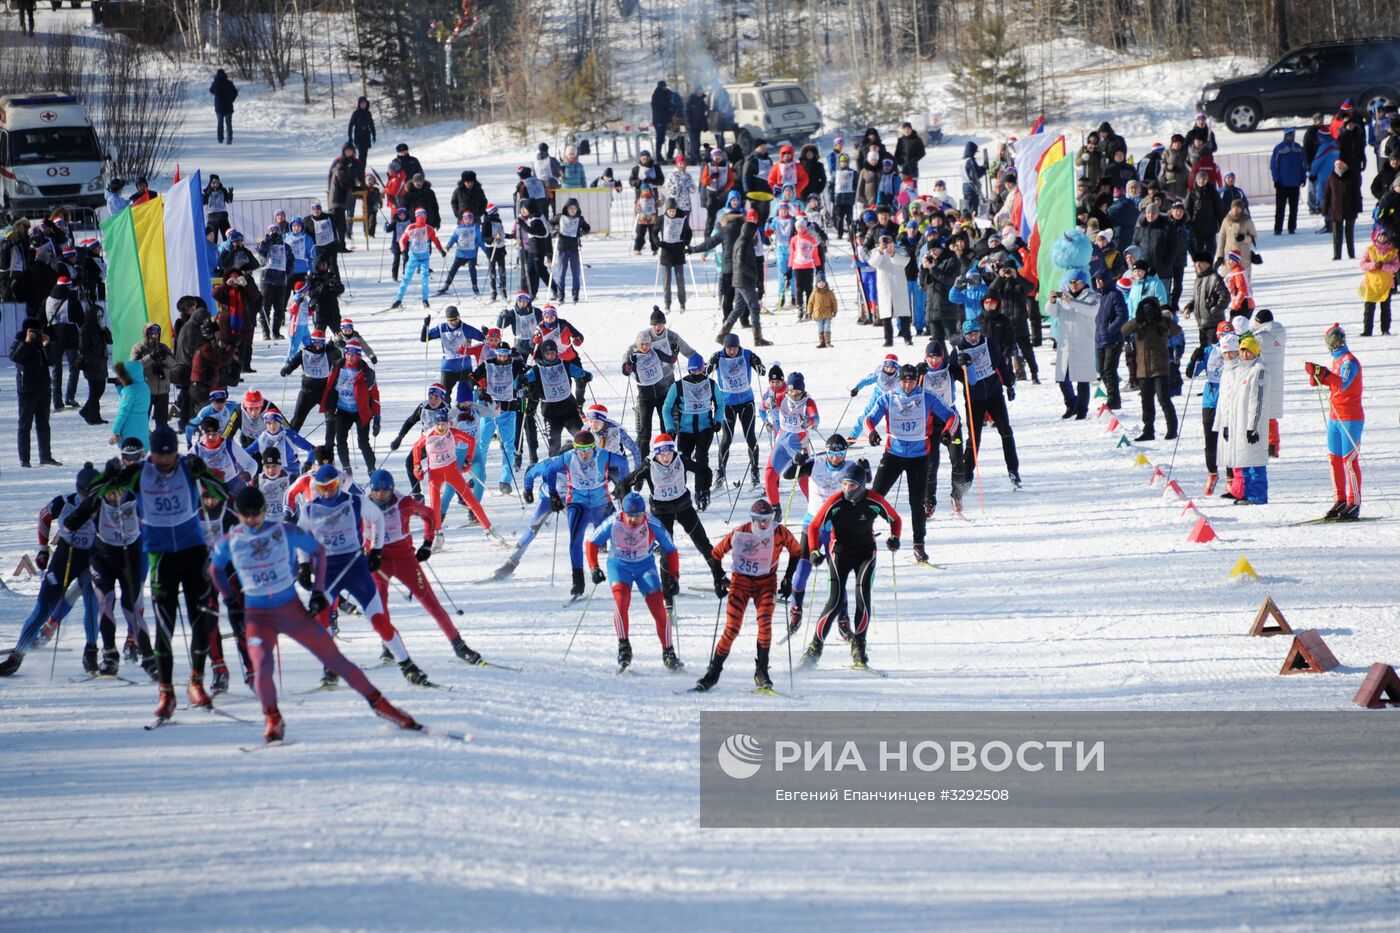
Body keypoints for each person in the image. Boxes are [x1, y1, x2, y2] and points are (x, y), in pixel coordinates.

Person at [211, 486, 419, 742]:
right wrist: (230, 599)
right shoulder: (229, 542)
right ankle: (273, 719)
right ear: (238, 514)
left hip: (290, 609)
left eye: (256, 514)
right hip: (257, 615)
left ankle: (382, 706)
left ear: (265, 511)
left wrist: (319, 590)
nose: (252, 520)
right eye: (246, 515)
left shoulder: (283, 530)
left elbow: (318, 551)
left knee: (335, 660)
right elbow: (215, 570)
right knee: (261, 667)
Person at [88, 427, 227, 719]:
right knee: (166, 626)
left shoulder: (188, 466)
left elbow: (223, 493)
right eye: (161, 456)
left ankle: (196, 682)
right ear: (153, 453)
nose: (166, 462)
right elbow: (96, 492)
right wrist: (110, 474)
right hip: (161, 556)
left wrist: (205, 474)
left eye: (170, 456)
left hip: (193, 552)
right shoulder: (139, 472)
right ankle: (166, 692)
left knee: (200, 621)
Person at [294, 464, 431, 687]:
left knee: (378, 620)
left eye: (332, 486)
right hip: (327, 571)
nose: (328, 492)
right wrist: (303, 566)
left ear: (338, 484)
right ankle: (331, 668)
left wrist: (376, 550)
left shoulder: (354, 501)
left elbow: (377, 517)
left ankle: (408, 666)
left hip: (355, 567)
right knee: (322, 619)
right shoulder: (310, 509)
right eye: (323, 487)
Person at [364, 470, 484, 665]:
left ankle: (459, 646)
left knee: (430, 602)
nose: (380, 496)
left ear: (391, 490)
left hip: (404, 559)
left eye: (384, 492)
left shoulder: (404, 503)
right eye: (376, 492)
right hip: (379, 561)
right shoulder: (364, 505)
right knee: (380, 603)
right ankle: (388, 645)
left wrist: (428, 543)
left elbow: (429, 514)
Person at [0, 465, 104, 678]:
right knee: (43, 608)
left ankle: (91, 653)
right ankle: (16, 657)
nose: (90, 499)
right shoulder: (64, 503)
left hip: (91, 557)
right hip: (66, 557)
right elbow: (44, 517)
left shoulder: (104, 504)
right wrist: (43, 550)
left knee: (93, 603)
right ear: (80, 490)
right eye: (87, 494)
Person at [798, 461, 900, 670]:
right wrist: (815, 550)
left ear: (862, 485)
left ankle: (859, 649)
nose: (847, 489)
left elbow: (895, 519)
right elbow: (814, 525)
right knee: (834, 602)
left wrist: (894, 538)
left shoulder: (874, 500)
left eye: (852, 486)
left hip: (865, 554)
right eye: (844, 484)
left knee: (863, 597)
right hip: (840, 552)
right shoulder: (836, 501)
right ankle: (813, 650)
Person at [693, 499, 800, 693]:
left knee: (765, 623)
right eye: (758, 519)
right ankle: (713, 673)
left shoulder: (779, 532)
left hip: (766, 583)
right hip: (740, 583)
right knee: (732, 628)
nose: (763, 524)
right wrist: (719, 580)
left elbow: (796, 551)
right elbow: (716, 553)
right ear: (752, 519)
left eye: (767, 519)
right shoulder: (740, 532)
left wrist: (788, 578)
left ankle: (761, 671)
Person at [863, 364, 958, 562]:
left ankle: (918, 545)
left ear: (917, 380)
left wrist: (947, 432)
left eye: (911, 381)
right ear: (899, 380)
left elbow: (952, 416)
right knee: (874, 496)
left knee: (917, 503)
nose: (907, 385)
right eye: (904, 381)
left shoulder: (927, 397)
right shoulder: (888, 398)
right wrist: (871, 433)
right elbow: (868, 419)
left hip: (919, 458)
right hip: (893, 456)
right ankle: (864, 533)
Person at [585, 491, 683, 673]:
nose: (633, 520)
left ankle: (669, 652)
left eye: (638, 516)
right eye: (630, 515)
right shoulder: (614, 521)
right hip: (619, 565)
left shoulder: (652, 523)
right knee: (622, 602)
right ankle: (624, 647)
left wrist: (674, 577)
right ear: (623, 512)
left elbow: (671, 550)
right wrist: (594, 568)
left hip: (644, 566)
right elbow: (591, 542)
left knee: (659, 609)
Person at [521, 431, 629, 596]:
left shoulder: (603, 456)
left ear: (594, 447)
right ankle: (578, 581)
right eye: (580, 450)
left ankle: (619, 573)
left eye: (587, 449)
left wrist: (623, 485)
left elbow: (622, 463)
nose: (584, 454)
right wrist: (553, 494)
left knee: (618, 534)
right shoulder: (568, 457)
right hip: (577, 503)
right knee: (575, 539)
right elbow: (549, 471)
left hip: (601, 503)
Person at [620, 433, 726, 600]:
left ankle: (720, 578)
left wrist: (704, 492)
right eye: (661, 453)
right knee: (666, 550)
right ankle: (668, 588)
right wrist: (627, 509)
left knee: (703, 543)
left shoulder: (681, 459)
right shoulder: (648, 465)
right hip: (661, 512)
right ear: (656, 453)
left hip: (684, 507)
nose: (666, 457)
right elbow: (625, 483)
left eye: (669, 452)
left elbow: (705, 471)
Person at [950, 319, 1021, 487]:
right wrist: (961, 369)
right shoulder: (959, 350)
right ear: (964, 335)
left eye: (976, 333)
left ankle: (1013, 471)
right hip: (974, 398)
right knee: (974, 438)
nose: (974, 337)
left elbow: (1001, 365)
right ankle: (967, 476)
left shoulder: (989, 343)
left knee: (1006, 431)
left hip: (994, 393)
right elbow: (950, 373)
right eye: (970, 334)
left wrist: (1009, 385)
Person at [1304, 324, 1363, 520]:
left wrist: (1325, 373)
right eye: (1331, 341)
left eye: (1336, 340)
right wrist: (1319, 376)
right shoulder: (1337, 360)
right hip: (1335, 416)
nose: (1334, 344)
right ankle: (1340, 499)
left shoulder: (1349, 361)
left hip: (1350, 417)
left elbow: (1344, 383)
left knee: (1349, 461)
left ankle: (1354, 503)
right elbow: (1333, 382)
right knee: (1334, 460)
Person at [411, 416, 500, 542]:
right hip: (435, 475)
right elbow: (416, 447)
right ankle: (438, 536)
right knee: (435, 504)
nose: (441, 427)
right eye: (439, 424)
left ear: (448, 423)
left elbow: (471, 440)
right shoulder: (428, 435)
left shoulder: (452, 432)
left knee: (471, 500)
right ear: (434, 425)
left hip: (452, 472)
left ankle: (489, 531)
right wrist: (416, 466)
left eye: (444, 424)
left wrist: (469, 459)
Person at [661, 354, 724, 502]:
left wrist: (718, 420)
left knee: (702, 457)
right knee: (683, 461)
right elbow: (666, 408)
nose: (696, 375)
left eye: (699, 372)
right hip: (685, 430)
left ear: (703, 369)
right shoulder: (678, 386)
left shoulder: (711, 384)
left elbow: (721, 404)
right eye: (693, 372)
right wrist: (670, 428)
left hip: (705, 428)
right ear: (689, 370)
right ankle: (680, 493)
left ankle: (701, 491)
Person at [707, 334, 766, 490]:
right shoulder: (718, 356)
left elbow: (762, 372)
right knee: (727, 439)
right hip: (727, 403)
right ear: (724, 347)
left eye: (734, 348)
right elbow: (705, 373)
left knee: (750, 437)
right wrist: (711, 363)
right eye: (729, 348)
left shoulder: (747, 354)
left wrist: (757, 363)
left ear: (738, 346)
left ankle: (755, 475)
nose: (732, 351)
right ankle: (720, 475)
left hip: (747, 401)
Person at [1119, 297, 1182, 442]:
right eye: (1145, 309)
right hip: (1142, 369)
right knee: (1146, 402)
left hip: (1160, 368)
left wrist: (1159, 318)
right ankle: (1148, 431)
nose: (1148, 312)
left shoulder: (1162, 322)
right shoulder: (1139, 324)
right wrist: (1139, 318)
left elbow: (1177, 330)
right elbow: (1123, 330)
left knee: (1163, 399)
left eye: (1150, 309)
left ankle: (1172, 429)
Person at [1217, 333, 1268, 505]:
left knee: (1254, 460)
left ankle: (1257, 495)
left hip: (1251, 425)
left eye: (1249, 352)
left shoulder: (1258, 370)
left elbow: (1258, 401)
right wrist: (1226, 425)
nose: (1245, 355)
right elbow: (1230, 399)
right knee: (1243, 459)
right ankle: (1245, 492)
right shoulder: (1239, 370)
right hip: (1237, 424)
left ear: (1256, 352)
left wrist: (1253, 426)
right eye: (1242, 351)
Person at [319, 343, 380, 473]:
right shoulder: (337, 367)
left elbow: (374, 395)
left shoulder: (367, 373)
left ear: (359, 356)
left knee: (363, 443)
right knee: (340, 440)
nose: (350, 357)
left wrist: (377, 418)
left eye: (354, 355)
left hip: (361, 412)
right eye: (348, 354)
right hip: (342, 410)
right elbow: (329, 388)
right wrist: (329, 409)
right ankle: (346, 468)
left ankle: (371, 469)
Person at [1046, 270, 1099, 420]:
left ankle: (1082, 410)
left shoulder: (1092, 296)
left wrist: (1072, 302)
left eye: (1076, 282)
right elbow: (1051, 312)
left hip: (1083, 342)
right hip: (1066, 342)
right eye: (1071, 282)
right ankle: (1071, 404)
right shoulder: (1064, 296)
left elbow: (1091, 310)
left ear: (1083, 282)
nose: (1073, 285)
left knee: (1083, 379)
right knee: (1063, 378)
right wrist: (1052, 301)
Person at [763, 371, 819, 507]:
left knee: (804, 480)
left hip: (800, 445)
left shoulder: (808, 402)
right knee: (769, 476)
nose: (794, 394)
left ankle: (816, 509)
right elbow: (764, 405)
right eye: (791, 391)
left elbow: (816, 418)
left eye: (797, 391)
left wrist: (809, 421)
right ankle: (775, 509)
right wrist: (768, 402)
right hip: (782, 443)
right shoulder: (783, 397)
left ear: (803, 390)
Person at [10, 318, 59, 467]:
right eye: (33, 331)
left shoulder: (42, 344)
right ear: (26, 331)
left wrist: (47, 346)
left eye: (38, 331)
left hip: (43, 389)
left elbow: (53, 361)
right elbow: (15, 357)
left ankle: (46, 456)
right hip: (26, 391)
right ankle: (24, 459)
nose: (36, 334)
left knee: (44, 424)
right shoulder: (19, 342)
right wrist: (26, 342)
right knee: (25, 425)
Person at [421, 305, 484, 400]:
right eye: (451, 320)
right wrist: (425, 326)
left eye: (456, 319)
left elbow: (483, 338)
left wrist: (485, 332)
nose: (455, 322)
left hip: (464, 368)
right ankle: (444, 414)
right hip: (448, 369)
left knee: (466, 397)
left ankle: (466, 414)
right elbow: (424, 338)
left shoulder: (466, 329)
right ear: (447, 320)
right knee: (444, 397)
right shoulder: (441, 328)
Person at [388, 208, 446, 310]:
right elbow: (402, 240)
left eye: (424, 214)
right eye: (419, 215)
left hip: (424, 258)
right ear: (416, 216)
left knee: (425, 279)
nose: (422, 217)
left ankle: (425, 300)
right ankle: (399, 300)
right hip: (413, 257)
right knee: (406, 278)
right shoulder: (411, 227)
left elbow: (435, 240)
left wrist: (441, 250)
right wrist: (403, 251)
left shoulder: (429, 229)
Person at [1251, 308, 1287, 457]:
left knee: (1263, 414)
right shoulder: (1280, 333)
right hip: (1276, 378)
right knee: (1271, 415)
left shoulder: (1262, 337)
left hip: (1264, 377)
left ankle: (1267, 447)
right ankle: (1274, 447)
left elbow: (1246, 344)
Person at [1359, 229, 1399, 336]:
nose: (1382, 238)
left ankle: (1385, 329)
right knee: (1369, 308)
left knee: (1385, 308)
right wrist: (1373, 265)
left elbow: (1395, 267)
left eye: (1385, 236)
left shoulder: (1392, 252)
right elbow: (1363, 264)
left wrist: (1384, 266)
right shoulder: (1370, 250)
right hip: (1371, 284)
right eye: (1380, 236)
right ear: (1376, 237)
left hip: (1386, 284)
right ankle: (1367, 330)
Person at [551, 198, 590, 303]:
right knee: (561, 273)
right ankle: (561, 295)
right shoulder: (560, 217)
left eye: (574, 208)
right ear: (566, 208)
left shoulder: (579, 219)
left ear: (577, 209)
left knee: (575, 273)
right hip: (562, 247)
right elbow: (551, 223)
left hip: (574, 248)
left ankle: (575, 294)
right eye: (570, 208)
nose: (572, 210)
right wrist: (555, 230)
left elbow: (587, 228)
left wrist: (581, 233)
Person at [1323, 158, 1363, 260]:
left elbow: (1357, 194)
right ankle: (1337, 255)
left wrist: (1358, 207)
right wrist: (1325, 209)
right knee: (1337, 235)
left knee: (1349, 234)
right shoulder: (1332, 177)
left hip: (1350, 209)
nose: (1340, 166)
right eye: (1338, 165)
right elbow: (1327, 195)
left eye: (1342, 164)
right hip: (1336, 210)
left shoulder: (1352, 176)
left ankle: (1351, 253)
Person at [1270, 128, 1306, 235]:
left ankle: (1292, 228)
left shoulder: (1298, 148)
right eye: (1290, 134)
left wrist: (1303, 177)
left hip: (1295, 183)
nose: (1292, 136)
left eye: (1293, 134)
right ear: (1285, 135)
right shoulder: (1279, 148)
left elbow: (1303, 164)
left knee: (1294, 207)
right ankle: (1278, 229)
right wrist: (1276, 180)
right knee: (1280, 208)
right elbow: (1274, 165)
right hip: (1282, 184)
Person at [347, 96, 376, 174]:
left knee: (365, 155)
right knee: (361, 154)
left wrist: (374, 134)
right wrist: (350, 136)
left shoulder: (368, 113)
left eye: (364, 103)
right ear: (359, 104)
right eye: (362, 103)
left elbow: (371, 124)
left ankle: (362, 170)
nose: (363, 105)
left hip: (366, 136)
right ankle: (359, 171)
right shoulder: (356, 113)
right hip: (358, 136)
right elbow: (350, 125)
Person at [209, 69, 238, 144]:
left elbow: (211, 90)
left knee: (220, 123)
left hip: (219, 107)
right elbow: (235, 93)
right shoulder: (229, 83)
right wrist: (231, 99)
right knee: (228, 123)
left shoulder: (216, 83)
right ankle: (229, 139)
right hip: (228, 106)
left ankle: (220, 139)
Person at [650, 81, 675, 158]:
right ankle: (658, 156)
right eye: (664, 86)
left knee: (672, 137)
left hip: (665, 120)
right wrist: (670, 107)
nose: (665, 88)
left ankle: (668, 155)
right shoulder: (657, 95)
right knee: (660, 138)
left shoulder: (666, 93)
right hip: (659, 120)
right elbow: (665, 105)